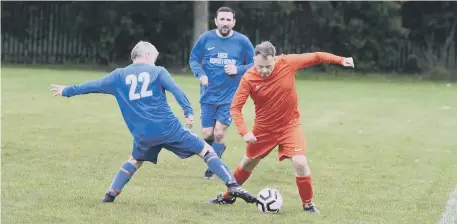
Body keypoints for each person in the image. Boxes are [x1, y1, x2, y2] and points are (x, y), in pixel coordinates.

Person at [50, 40, 257, 204]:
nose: (156, 61)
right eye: (155, 57)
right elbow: (177, 91)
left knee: (135, 160)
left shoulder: (118, 76)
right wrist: (188, 112)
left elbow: (91, 85)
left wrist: (66, 90)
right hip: (169, 128)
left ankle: (110, 194)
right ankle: (232, 184)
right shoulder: (158, 71)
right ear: (147, 55)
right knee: (206, 150)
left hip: (142, 133)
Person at [206, 41, 355, 213]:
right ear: (254, 60)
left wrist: (341, 60)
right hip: (263, 130)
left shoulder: (287, 62)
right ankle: (227, 197)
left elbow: (316, 57)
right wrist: (244, 132)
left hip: (290, 126)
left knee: (300, 162)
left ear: (275, 60)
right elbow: (235, 108)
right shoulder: (248, 78)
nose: (263, 70)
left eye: (268, 66)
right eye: (259, 66)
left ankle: (308, 205)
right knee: (247, 163)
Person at [189, 6, 255, 180]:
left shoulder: (242, 41)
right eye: (222, 19)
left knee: (219, 133)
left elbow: (255, 64)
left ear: (233, 22)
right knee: (207, 134)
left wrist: (237, 69)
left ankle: (213, 165)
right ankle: (217, 150)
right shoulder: (205, 38)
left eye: (228, 20)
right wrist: (201, 75)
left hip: (230, 95)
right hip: (208, 95)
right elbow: (194, 59)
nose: (225, 23)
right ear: (216, 21)